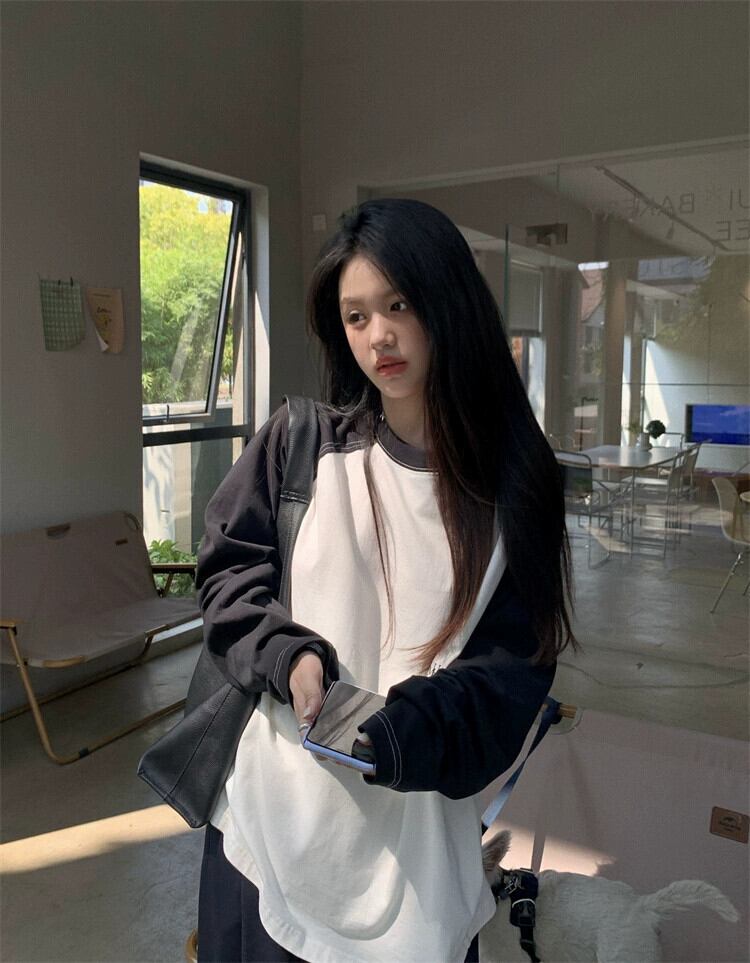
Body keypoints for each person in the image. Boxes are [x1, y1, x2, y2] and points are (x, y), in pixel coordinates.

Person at [194, 197, 577, 963]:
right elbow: (228, 577)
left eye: (398, 304)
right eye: (356, 315)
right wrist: (289, 656)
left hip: (415, 851)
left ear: (447, 299)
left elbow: (512, 672)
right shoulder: (300, 446)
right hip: (268, 830)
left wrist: (407, 729)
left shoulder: (515, 487)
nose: (379, 336)